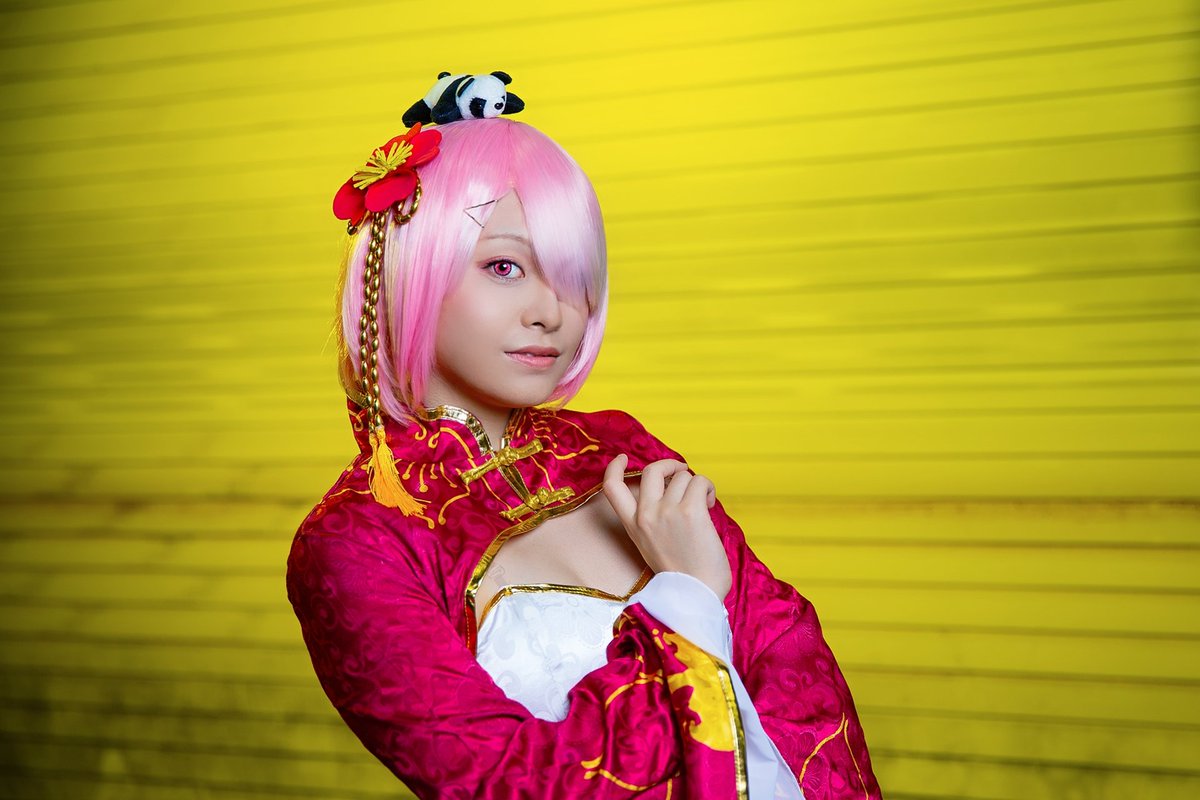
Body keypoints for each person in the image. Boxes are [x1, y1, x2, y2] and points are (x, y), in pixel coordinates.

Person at [286, 75, 881, 800]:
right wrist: (688, 598)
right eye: (504, 266)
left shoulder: (621, 451)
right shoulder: (360, 541)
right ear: (411, 272)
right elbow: (509, 783)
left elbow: (797, 681)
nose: (553, 311)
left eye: (572, 275)